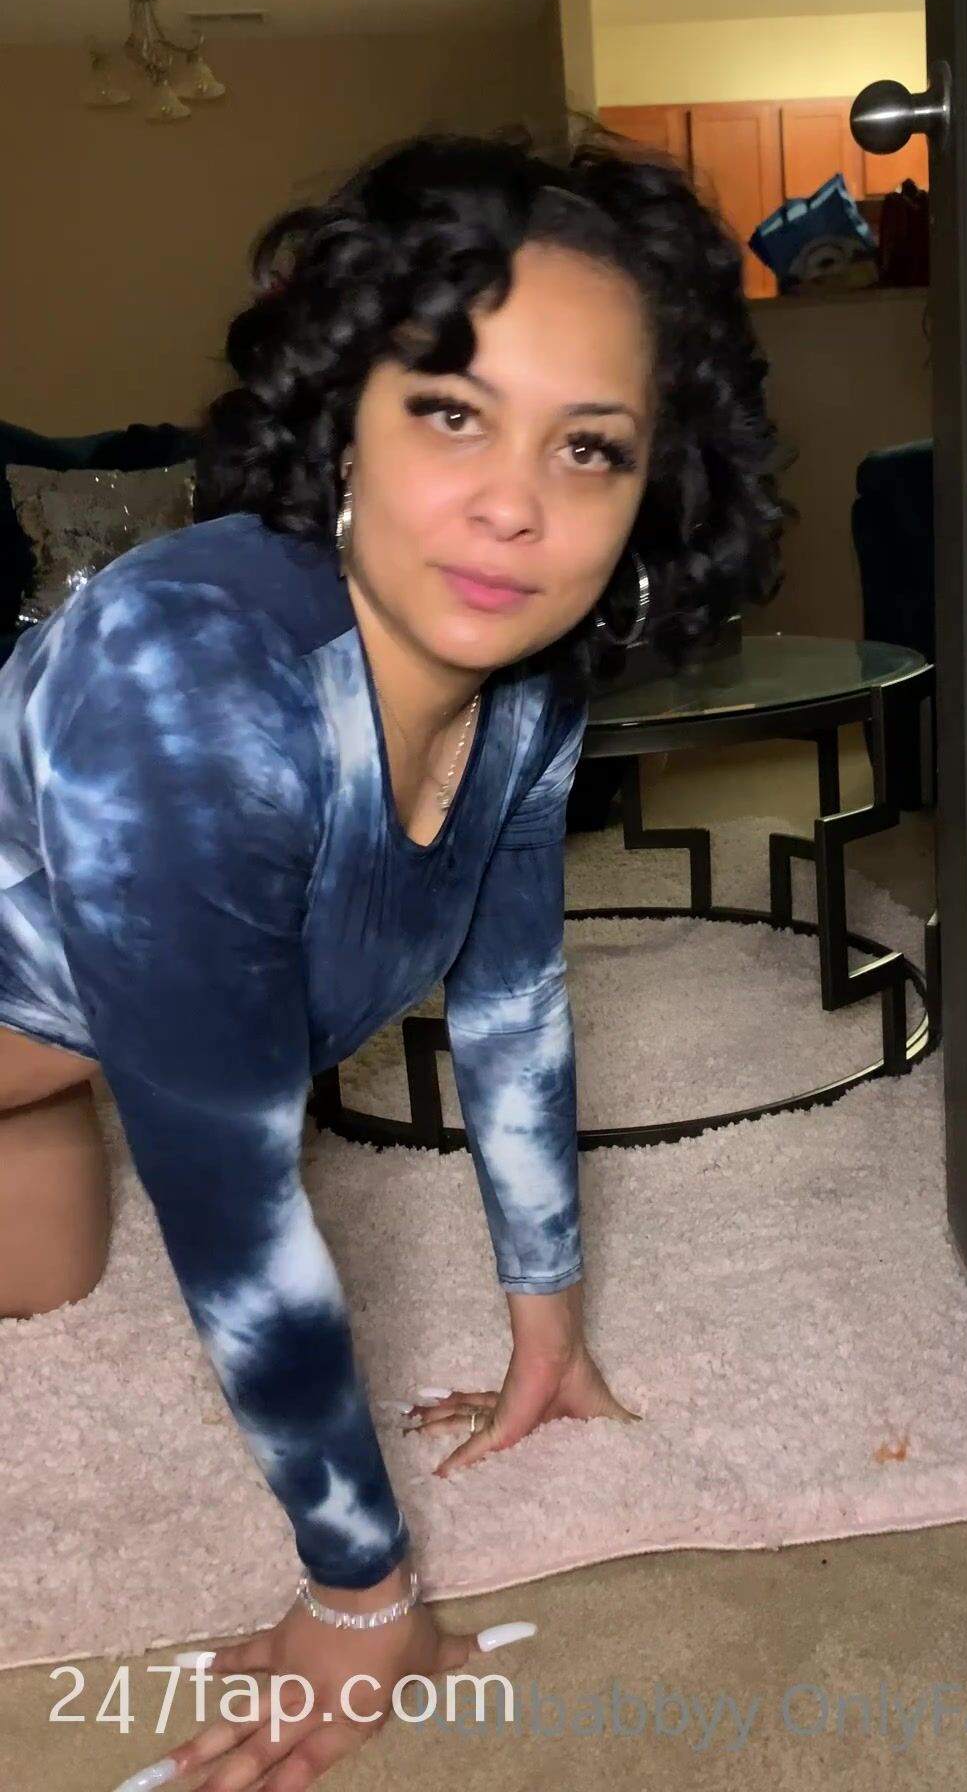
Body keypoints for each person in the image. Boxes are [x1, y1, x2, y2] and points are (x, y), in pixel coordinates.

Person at [0, 128, 782, 1787]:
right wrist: (361, 1596)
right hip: (61, 1040)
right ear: (340, 416)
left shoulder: (531, 691)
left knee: (44, 1289)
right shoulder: (187, 668)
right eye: (449, 412)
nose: (514, 503)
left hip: (46, 1063)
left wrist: (545, 1329)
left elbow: (512, 1006)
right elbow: (230, 1197)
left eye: (589, 449)